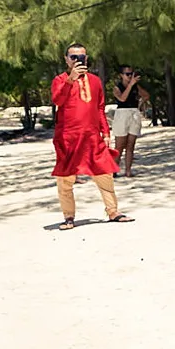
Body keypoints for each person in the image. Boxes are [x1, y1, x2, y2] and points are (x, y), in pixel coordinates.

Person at [50, 46, 131, 227]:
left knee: (104, 173)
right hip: (68, 137)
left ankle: (113, 211)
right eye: (73, 56)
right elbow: (57, 100)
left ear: (86, 59)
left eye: (81, 56)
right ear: (66, 59)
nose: (77, 60)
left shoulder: (94, 81)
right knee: (65, 178)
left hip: (92, 137)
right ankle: (69, 216)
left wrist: (106, 132)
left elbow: (99, 108)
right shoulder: (59, 80)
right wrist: (70, 80)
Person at [109, 65, 146, 177]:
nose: (130, 76)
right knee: (120, 145)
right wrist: (130, 85)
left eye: (131, 74)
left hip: (133, 113)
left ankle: (128, 171)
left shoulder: (135, 86)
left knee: (131, 145)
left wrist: (140, 103)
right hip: (122, 114)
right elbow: (122, 98)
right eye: (127, 74)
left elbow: (146, 95)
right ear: (121, 75)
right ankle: (114, 170)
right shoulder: (117, 88)